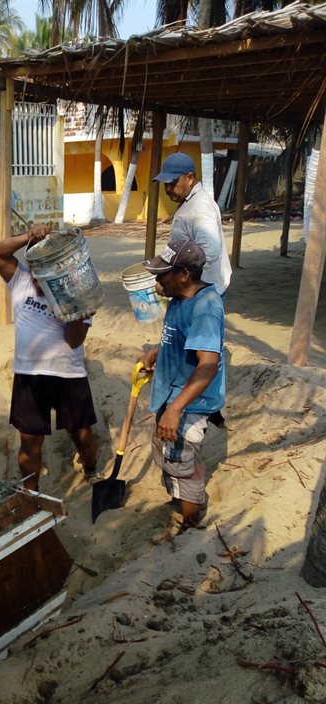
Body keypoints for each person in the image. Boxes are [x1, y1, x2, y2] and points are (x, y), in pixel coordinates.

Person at [0, 223, 100, 492]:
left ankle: (90, 467)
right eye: (38, 270)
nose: (41, 278)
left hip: (69, 374)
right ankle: (30, 492)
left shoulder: (78, 293)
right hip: (29, 375)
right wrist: (28, 236)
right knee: (30, 441)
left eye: (49, 270)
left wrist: (77, 315)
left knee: (82, 435)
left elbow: (74, 341)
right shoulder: (20, 279)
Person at [140, 239, 225, 534]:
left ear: (184, 275)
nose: (157, 279)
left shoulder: (205, 308)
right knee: (170, 457)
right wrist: (159, 350)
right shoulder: (180, 300)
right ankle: (180, 500)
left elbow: (208, 365)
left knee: (183, 464)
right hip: (172, 395)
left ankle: (190, 520)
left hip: (188, 404)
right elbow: (181, 340)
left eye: (163, 274)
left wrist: (176, 409)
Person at [153, 152, 232, 296]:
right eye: (166, 184)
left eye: (173, 183)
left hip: (202, 293)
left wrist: (177, 279)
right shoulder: (189, 202)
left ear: (189, 178)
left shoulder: (201, 207)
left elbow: (209, 251)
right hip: (191, 291)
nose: (168, 189)